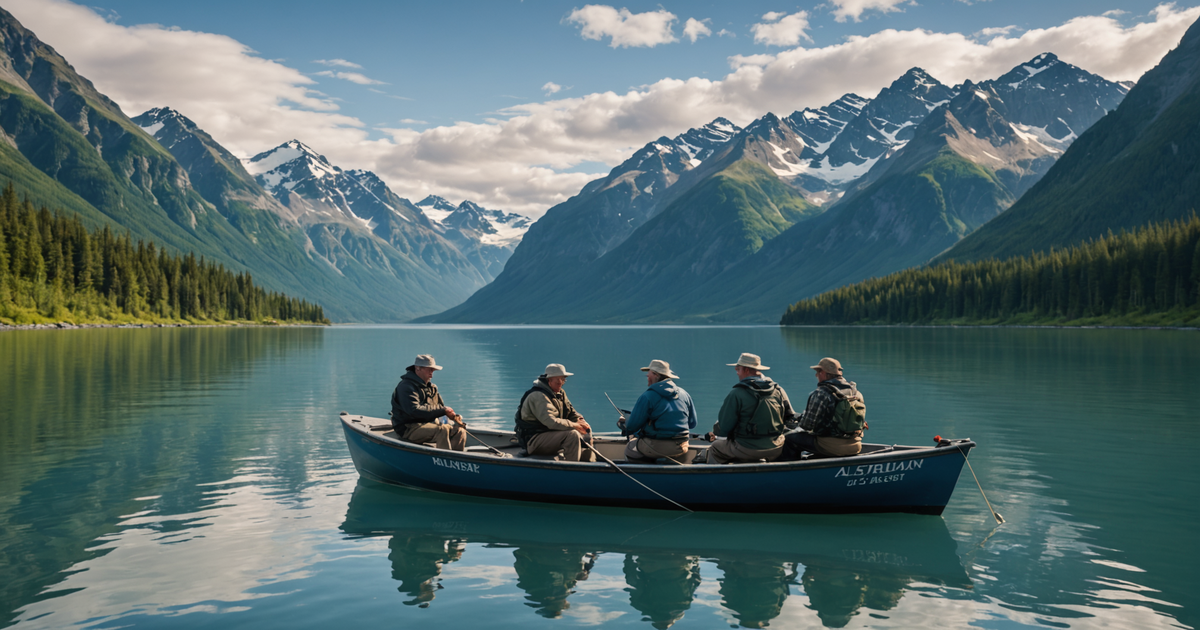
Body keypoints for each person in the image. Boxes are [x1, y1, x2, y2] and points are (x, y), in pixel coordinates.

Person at [698, 353, 795, 464]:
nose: (736, 372)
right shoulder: (778, 391)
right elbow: (789, 418)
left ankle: (718, 479)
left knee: (715, 447)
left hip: (747, 449)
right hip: (776, 447)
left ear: (746, 370)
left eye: (738, 369)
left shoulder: (737, 393)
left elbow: (724, 429)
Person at [782, 357, 866, 460]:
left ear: (823, 373)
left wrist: (791, 425)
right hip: (855, 445)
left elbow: (806, 425)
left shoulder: (821, 393)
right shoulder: (855, 392)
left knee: (788, 439)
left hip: (832, 447)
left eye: (818, 371)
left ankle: (793, 472)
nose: (816, 375)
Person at [619, 359, 697, 463]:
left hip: (656, 447)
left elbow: (632, 427)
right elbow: (692, 424)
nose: (647, 375)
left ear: (655, 375)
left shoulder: (648, 396)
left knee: (630, 447)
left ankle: (645, 476)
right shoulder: (685, 394)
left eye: (649, 373)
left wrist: (625, 421)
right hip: (682, 447)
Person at [515, 363, 595, 462]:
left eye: (563, 379)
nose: (561, 383)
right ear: (549, 380)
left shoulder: (560, 393)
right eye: (558, 381)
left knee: (586, 430)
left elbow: (571, 413)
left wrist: (581, 422)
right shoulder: (538, 396)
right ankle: (573, 468)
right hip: (533, 441)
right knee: (572, 435)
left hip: (551, 436)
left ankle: (589, 463)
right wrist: (574, 425)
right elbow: (551, 422)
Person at [390, 354, 466, 451]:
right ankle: (444, 459)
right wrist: (442, 410)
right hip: (408, 429)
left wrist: (452, 416)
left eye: (433, 370)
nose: (432, 373)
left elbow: (440, 408)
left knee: (459, 430)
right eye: (429, 369)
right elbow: (414, 411)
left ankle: (457, 461)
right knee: (442, 430)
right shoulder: (406, 387)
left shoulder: (432, 388)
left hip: (430, 425)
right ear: (418, 368)